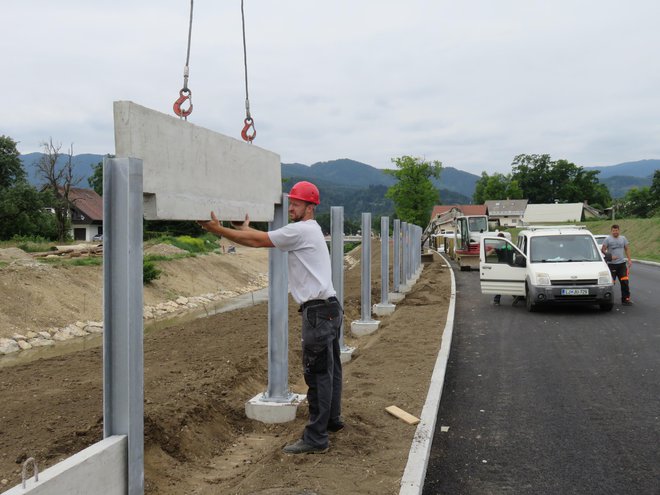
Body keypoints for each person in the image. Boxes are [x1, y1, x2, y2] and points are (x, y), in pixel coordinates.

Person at [198, 181, 344, 454]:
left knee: (318, 375)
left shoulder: (300, 230)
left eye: (297, 204)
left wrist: (215, 228)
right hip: (330, 308)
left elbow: (258, 241)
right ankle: (332, 421)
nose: (292, 208)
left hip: (317, 313)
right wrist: (242, 229)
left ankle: (316, 438)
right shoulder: (308, 230)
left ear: (310, 207)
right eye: (292, 203)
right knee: (331, 370)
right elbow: (266, 236)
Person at [601, 224, 633, 306]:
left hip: (622, 265)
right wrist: (610, 256)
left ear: (619, 230)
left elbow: (627, 249)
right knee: (610, 283)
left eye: (617, 230)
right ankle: (607, 299)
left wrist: (629, 260)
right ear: (611, 231)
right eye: (614, 230)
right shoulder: (607, 239)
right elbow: (603, 250)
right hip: (612, 265)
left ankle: (626, 299)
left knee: (625, 282)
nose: (615, 232)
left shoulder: (623, 238)